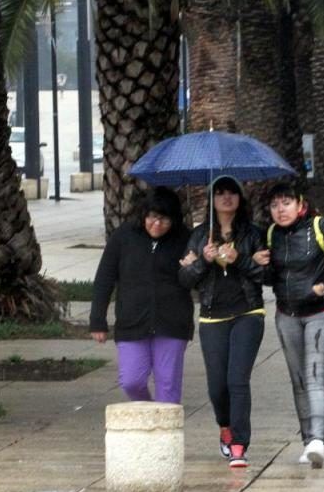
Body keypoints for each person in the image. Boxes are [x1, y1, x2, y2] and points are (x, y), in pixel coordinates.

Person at [258, 184, 324, 468]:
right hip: (287, 314)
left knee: (315, 374)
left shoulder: (319, 227)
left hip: (322, 312)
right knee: (299, 380)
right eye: (275, 205)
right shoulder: (271, 235)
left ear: (300, 203)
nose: (281, 210)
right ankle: (308, 442)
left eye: (286, 202)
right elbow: (271, 278)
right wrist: (260, 265)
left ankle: (318, 440)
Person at [179, 177, 266, 469]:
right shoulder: (200, 236)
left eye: (232, 193)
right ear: (212, 199)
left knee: (237, 380)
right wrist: (203, 260)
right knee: (217, 385)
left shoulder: (254, 234)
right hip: (212, 316)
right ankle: (225, 425)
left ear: (241, 198)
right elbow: (185, 279)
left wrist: (240, 259)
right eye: (220, 193)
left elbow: (266, 275)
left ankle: (240, 444)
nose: (227, 197)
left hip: (248, 314)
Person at [90, 187, 193, 405]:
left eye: (164, 219)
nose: (157, 224)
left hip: (172, 323)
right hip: (132, 322)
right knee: (131, 381)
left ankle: (165, 435)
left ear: (174, 220)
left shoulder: (186, 239)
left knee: (168, 386)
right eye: (153, 217)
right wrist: (97, 320)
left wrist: (195, 266)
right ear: (144, 214)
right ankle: (148, 411)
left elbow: (194, 281)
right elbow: (104, 278)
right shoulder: (124, 236)